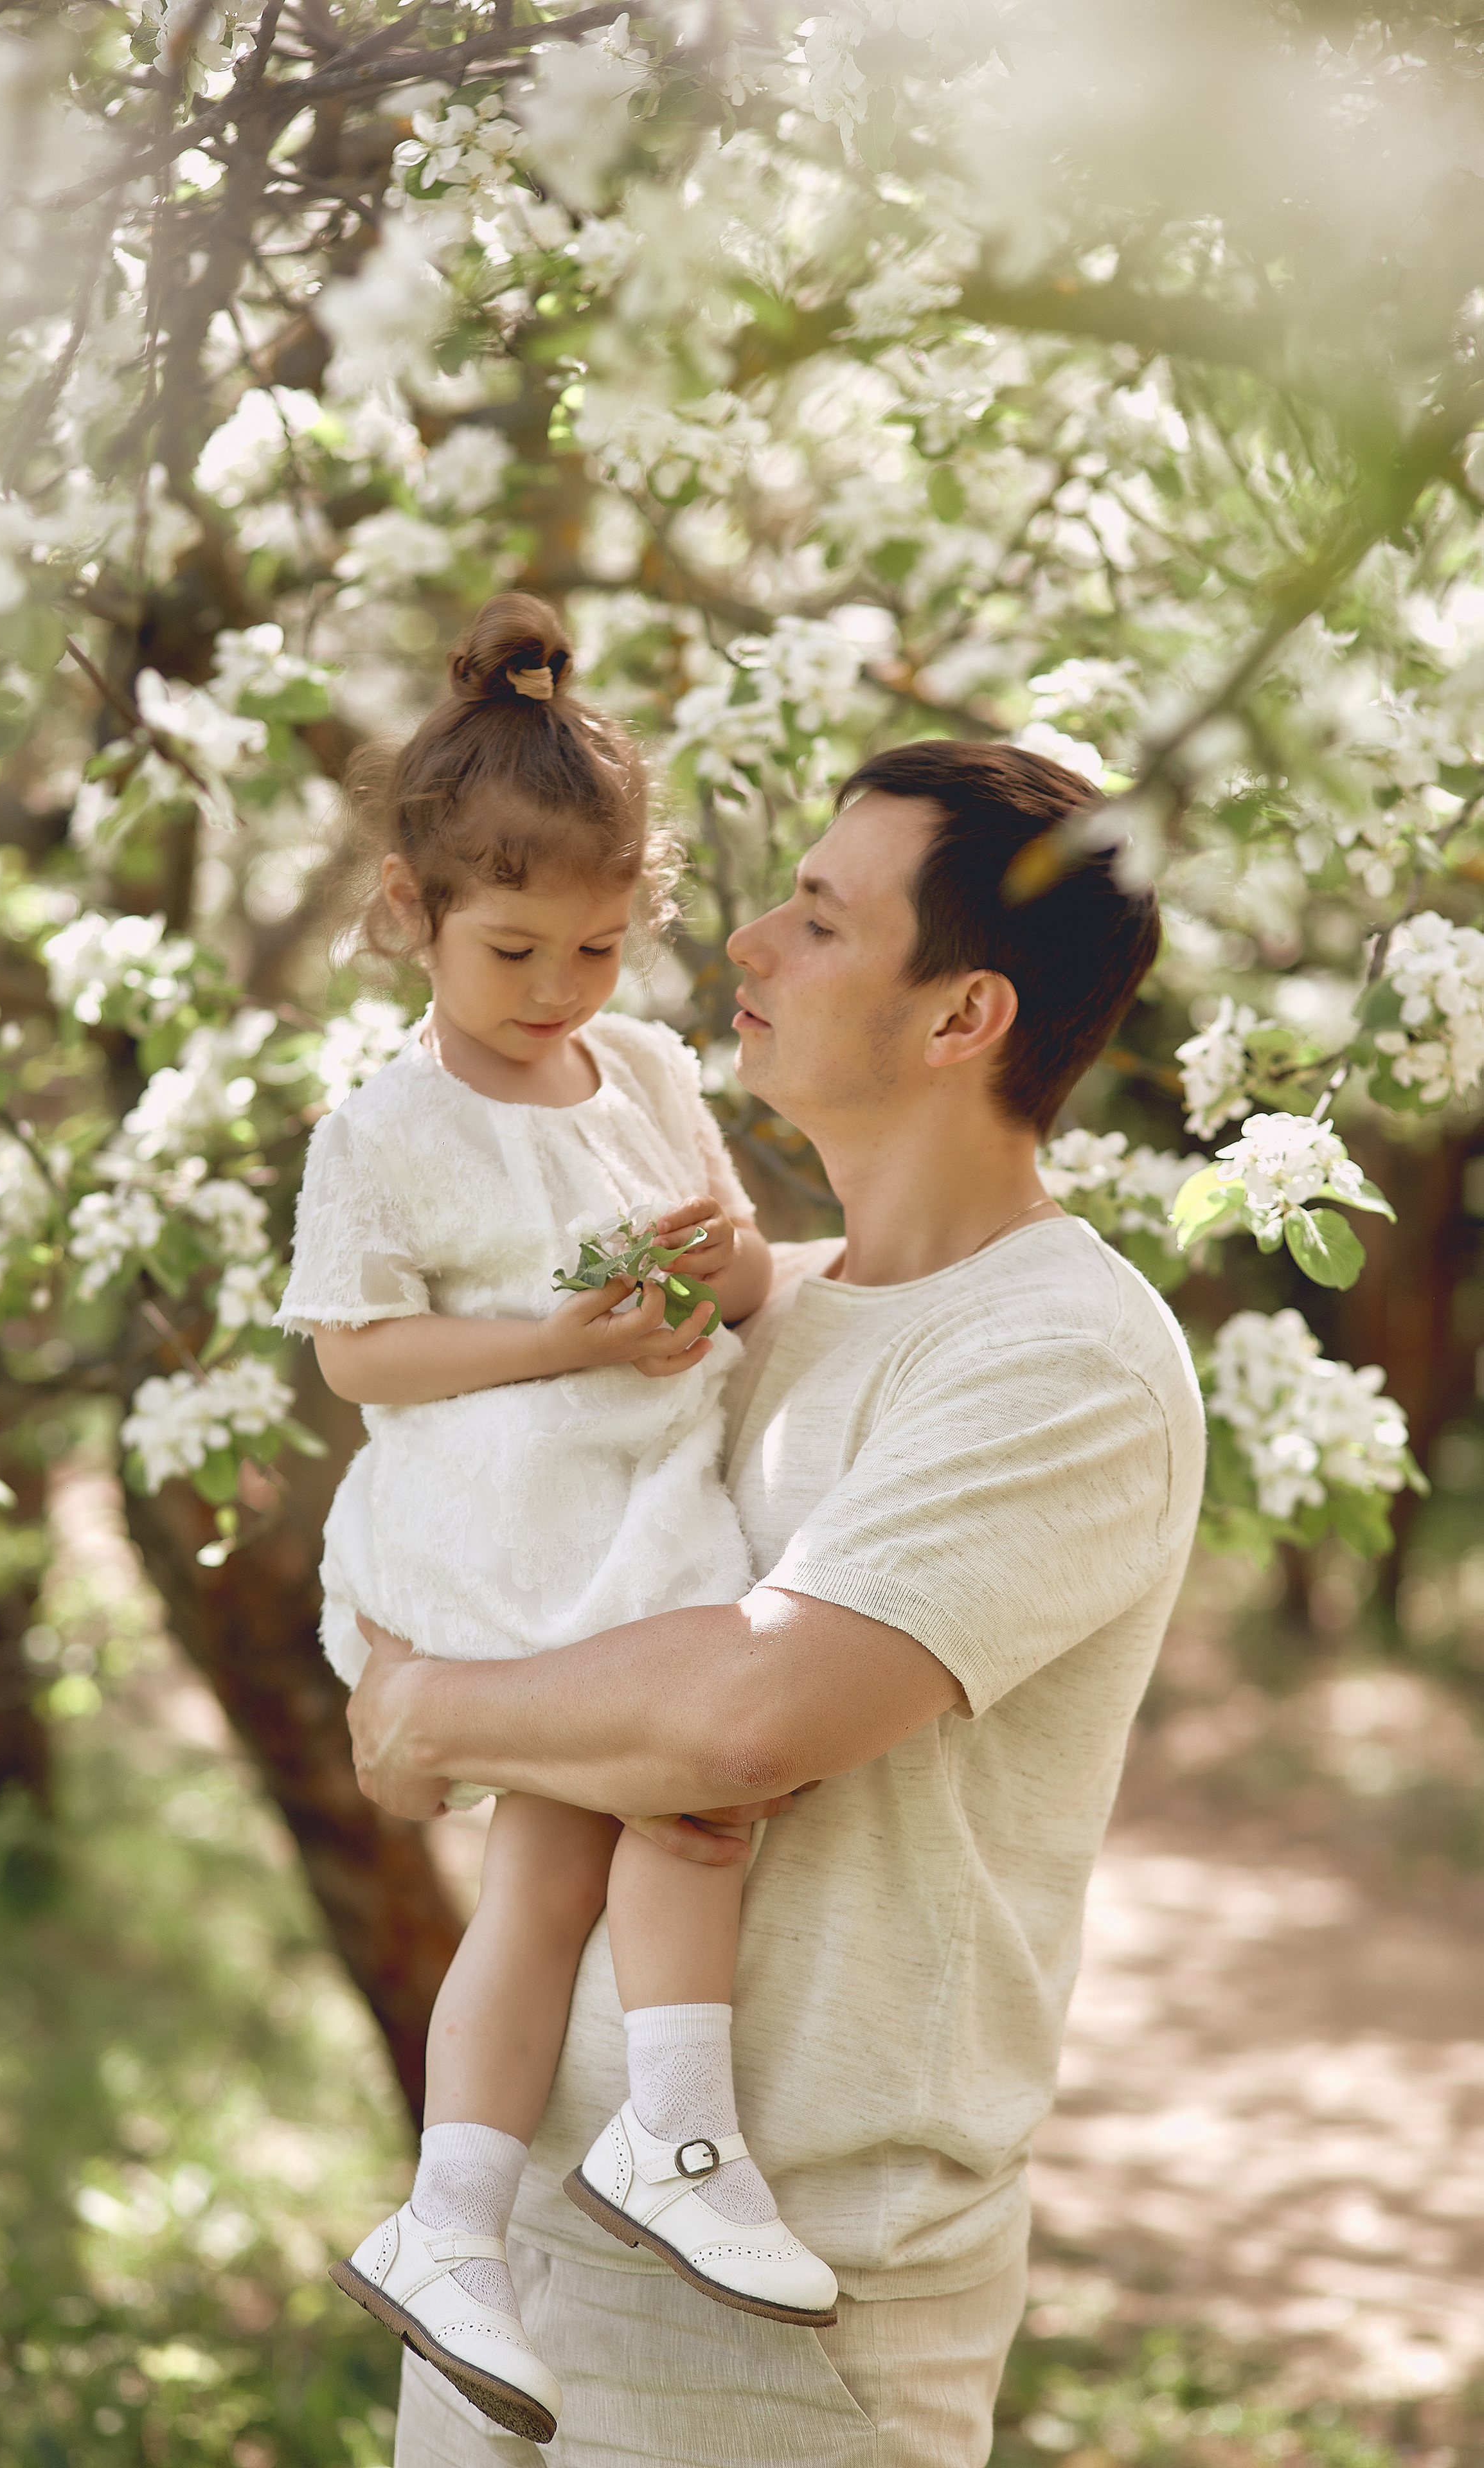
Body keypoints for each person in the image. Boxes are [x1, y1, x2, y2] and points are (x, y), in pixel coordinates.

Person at [346, 737, 1208, 2468]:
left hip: (777, 2333)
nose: (742, 943)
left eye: (817, 920)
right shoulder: (757, 1308)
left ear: (963, 1017)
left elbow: (745, 1716)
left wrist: (435, 1708)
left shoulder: (1063, 1360)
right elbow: (458, 1559)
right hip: (511, 2261)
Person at [277, 594, 839, 2449]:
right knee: (566, 1852)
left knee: (685, 1818)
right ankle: (482, 2210)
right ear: (412, 912)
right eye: (516, 947)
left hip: (650, 1494)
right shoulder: (384, 1126)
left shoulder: (655, 1070)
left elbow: (738, 1257)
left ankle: (609, 2163)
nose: (559, 990)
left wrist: (719, 1269)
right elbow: (358, 1358)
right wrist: (559, 1334)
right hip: (507, 1518)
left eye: (599, 946)